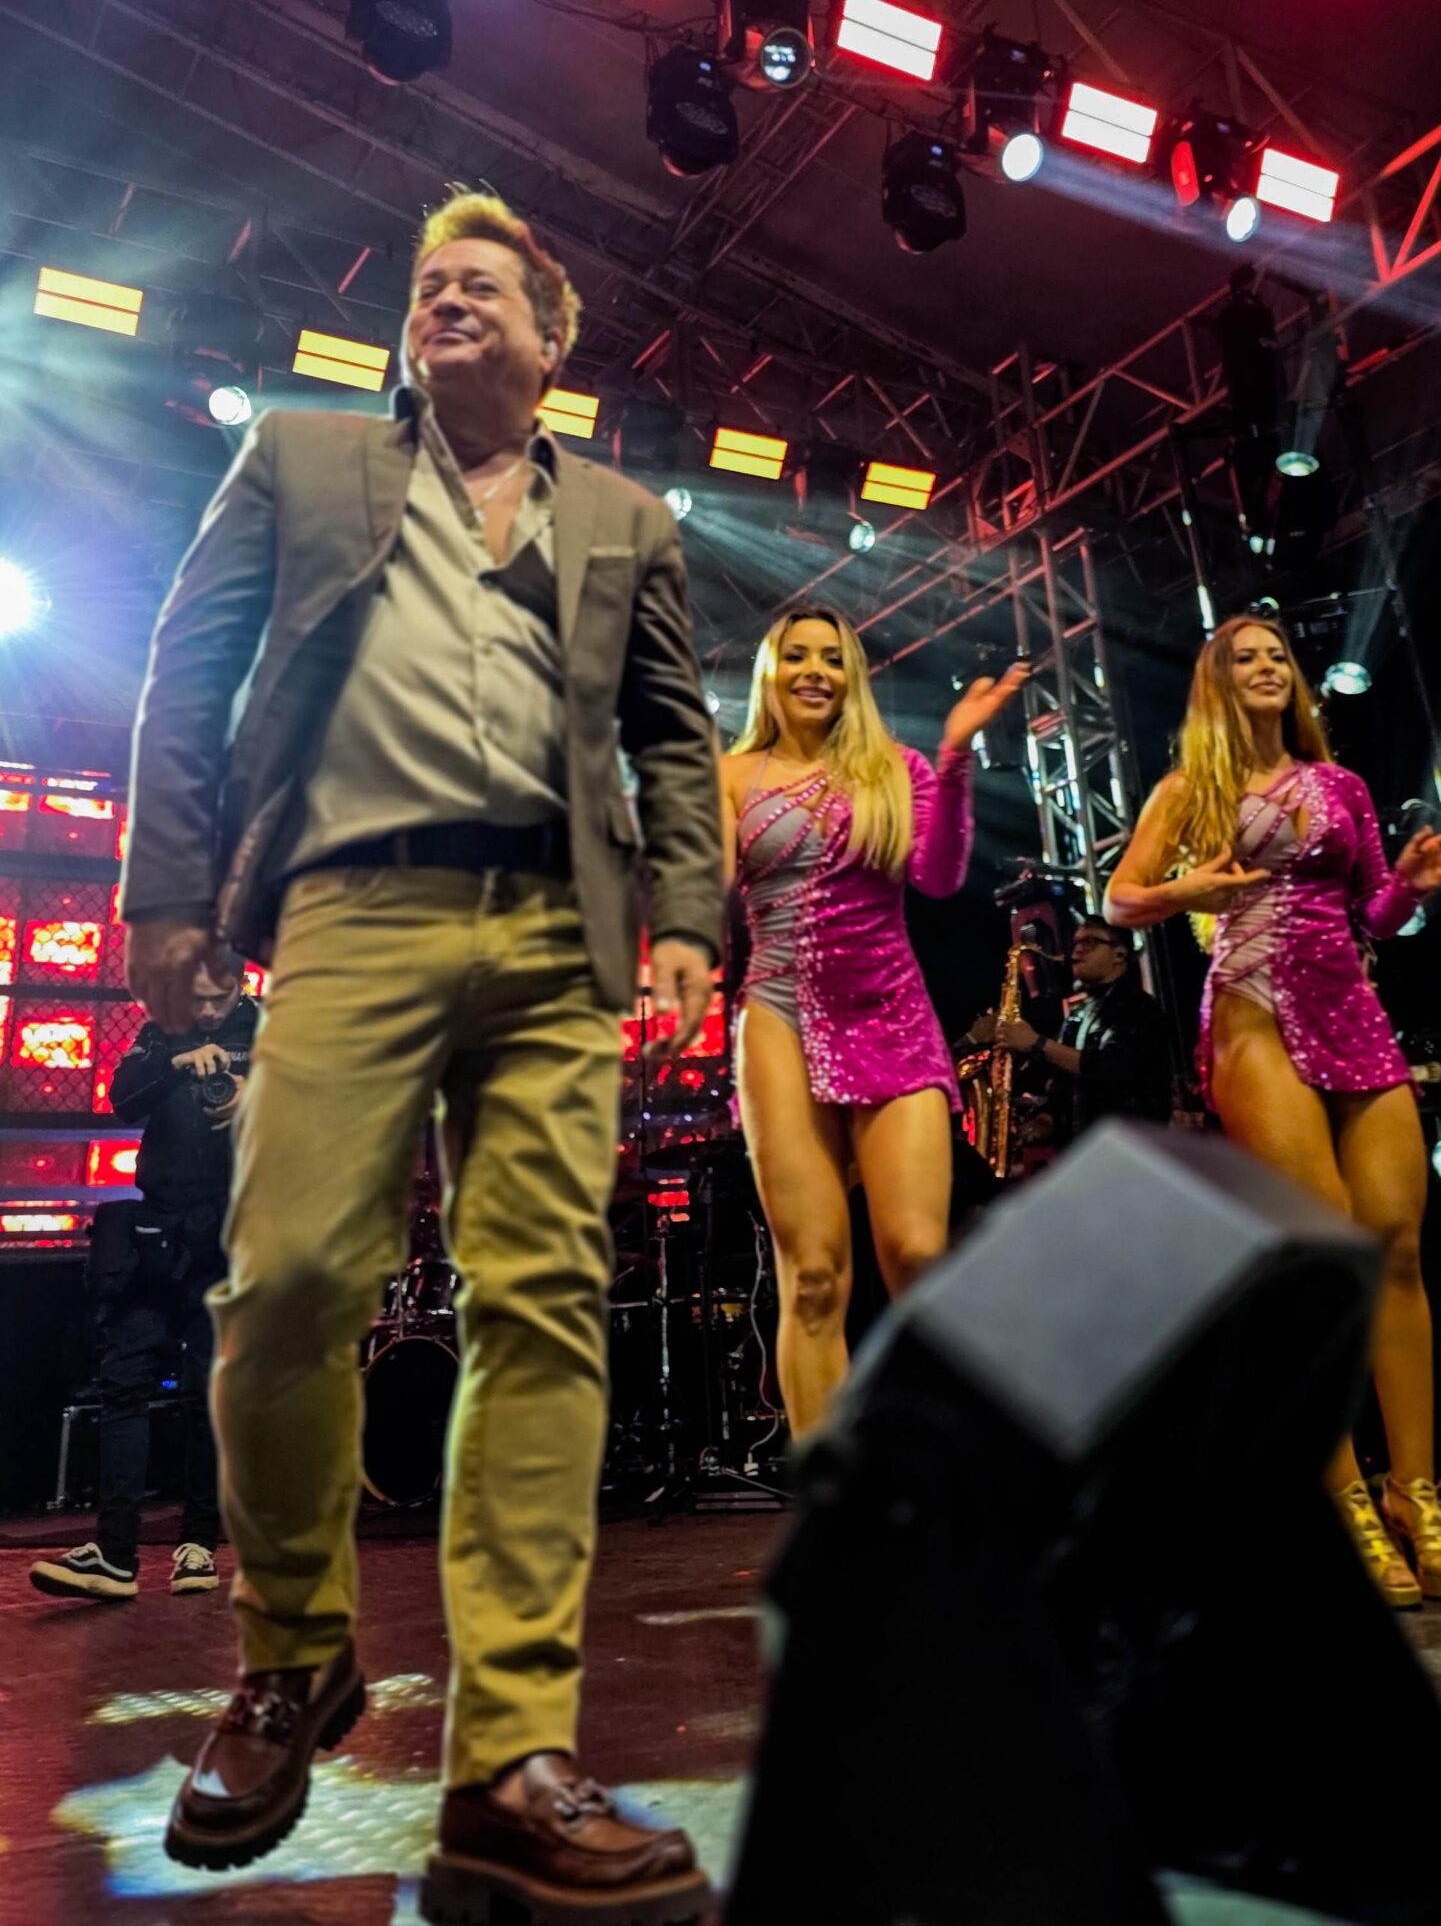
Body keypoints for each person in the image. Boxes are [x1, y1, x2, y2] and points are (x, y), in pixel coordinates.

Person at [120, 190, 723, 1922]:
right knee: (289, 1278)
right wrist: (166, 893)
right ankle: (293, 1655)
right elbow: (190, 667)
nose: (445, 298)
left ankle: (510, 1760)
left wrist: (688, 912)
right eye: (428, 284)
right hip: (348, 909)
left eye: (483, 286)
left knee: (542, 1308)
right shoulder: (302, 461)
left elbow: (674, 735)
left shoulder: (624, 518)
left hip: (554, 936)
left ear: (551, 340)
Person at [1107, 615, 1441, 1606]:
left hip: (1348, 1007)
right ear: (1216, 684)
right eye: (1243, 659)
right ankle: (1339, 1496)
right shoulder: (1189, 790)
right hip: (1251, 1008)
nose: (1263, 668)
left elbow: (1373, 913)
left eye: (1274, 657)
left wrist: (1408, 889)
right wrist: (1190, 889)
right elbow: (1120, 899)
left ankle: (1415, 1491)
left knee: (1396, 1247)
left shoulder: (1339, 785)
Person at [719, 606, 1027, 1436]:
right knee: (814, 1276)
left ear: (851, 677)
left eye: (832, 658)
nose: (814, 671)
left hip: (890, 1013)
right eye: (796, 656)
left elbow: (937, 877)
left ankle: (942, 1474)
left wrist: (955, 757)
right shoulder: (731, 775)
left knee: (919, 1256)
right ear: (770, 673)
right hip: (778, 1014)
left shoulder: (896, 768)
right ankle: (830, 1491)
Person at [30, 963, 256, 1602]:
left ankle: (198, 1545)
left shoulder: (272, 1029)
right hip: (156, 1230)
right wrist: (178, 1064)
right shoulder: (163, 1028)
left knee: (209, 1392)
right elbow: (123, 1100)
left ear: (241, 985)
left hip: (230, 1231)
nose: (206, 1012)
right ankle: (115, 1553)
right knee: (124, 1380)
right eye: (196, 999)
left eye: (219, 1000)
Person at [989, 914, 1173, 1145]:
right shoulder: (1078, 1014)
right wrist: (1044, 1120)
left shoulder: (1140, 1007)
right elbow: (1063, 1087)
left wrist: (1036, 1043)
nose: (1077, 950)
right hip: (1085, 1151)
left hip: (1131, 1149)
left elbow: (1110, 1067)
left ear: (1119, 954)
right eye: (1076, 942)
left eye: (1090, 942)